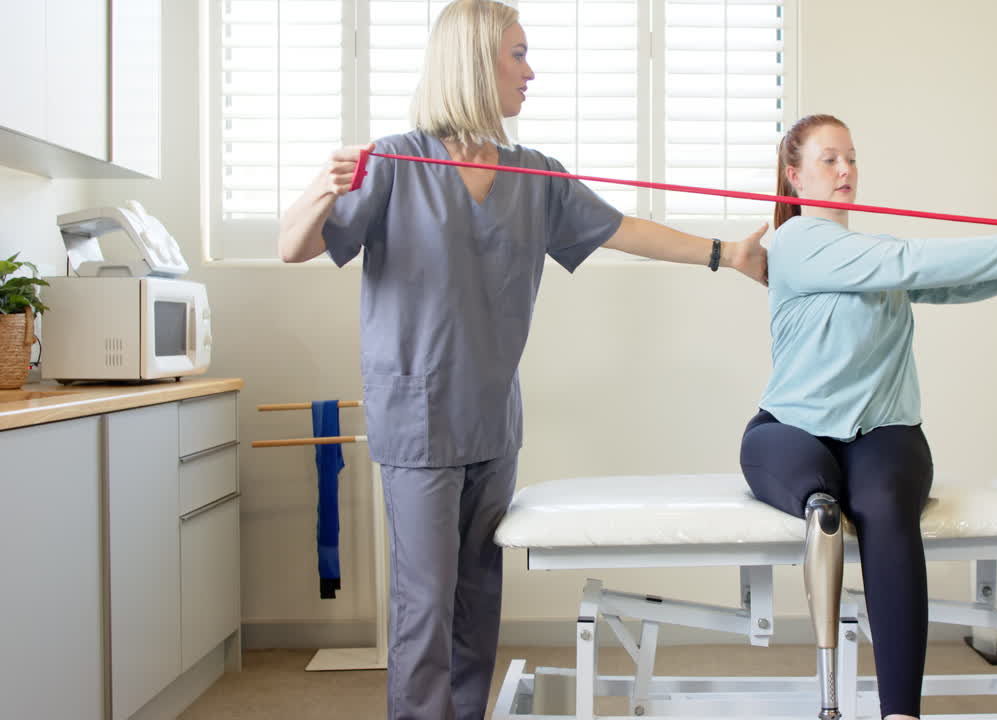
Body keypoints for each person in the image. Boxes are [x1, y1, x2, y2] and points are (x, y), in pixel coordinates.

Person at [275, 1, 767, 718]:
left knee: (477, 608)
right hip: (419, 425)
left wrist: (726, 254)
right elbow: (293, 246)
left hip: (491, 425)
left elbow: (621, 228)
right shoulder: (394, 163)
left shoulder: (535, 176)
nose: (530, 71)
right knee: (424, 611)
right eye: (518, 53)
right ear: (477, 61)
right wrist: (328, 180)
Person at [738, 114, 997, 720]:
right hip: (794, 426)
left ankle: (901, 713)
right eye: (829, 160)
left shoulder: (874, 257)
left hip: (884, 431)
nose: (846, 170)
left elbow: (948, 284)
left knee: (886, 506)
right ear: (793, 176)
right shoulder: (796, 242)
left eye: (851, 158)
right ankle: (820, 505)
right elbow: (907, 262)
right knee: (815, 487)